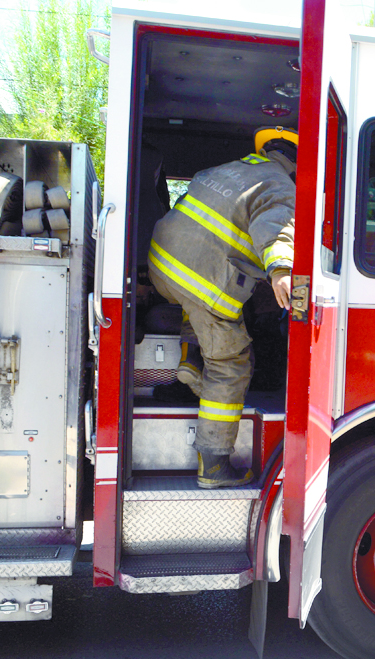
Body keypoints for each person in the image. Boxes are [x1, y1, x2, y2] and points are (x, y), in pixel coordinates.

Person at [148, 126, 297, 488]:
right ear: (297, 163)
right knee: (231, 363)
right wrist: (281, 270)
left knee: (197, 302)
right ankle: (214, 465)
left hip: (161, 266)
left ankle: (190, 356)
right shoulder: (281, 185)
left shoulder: (224, 170)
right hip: (201, 281)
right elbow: (275, 226)